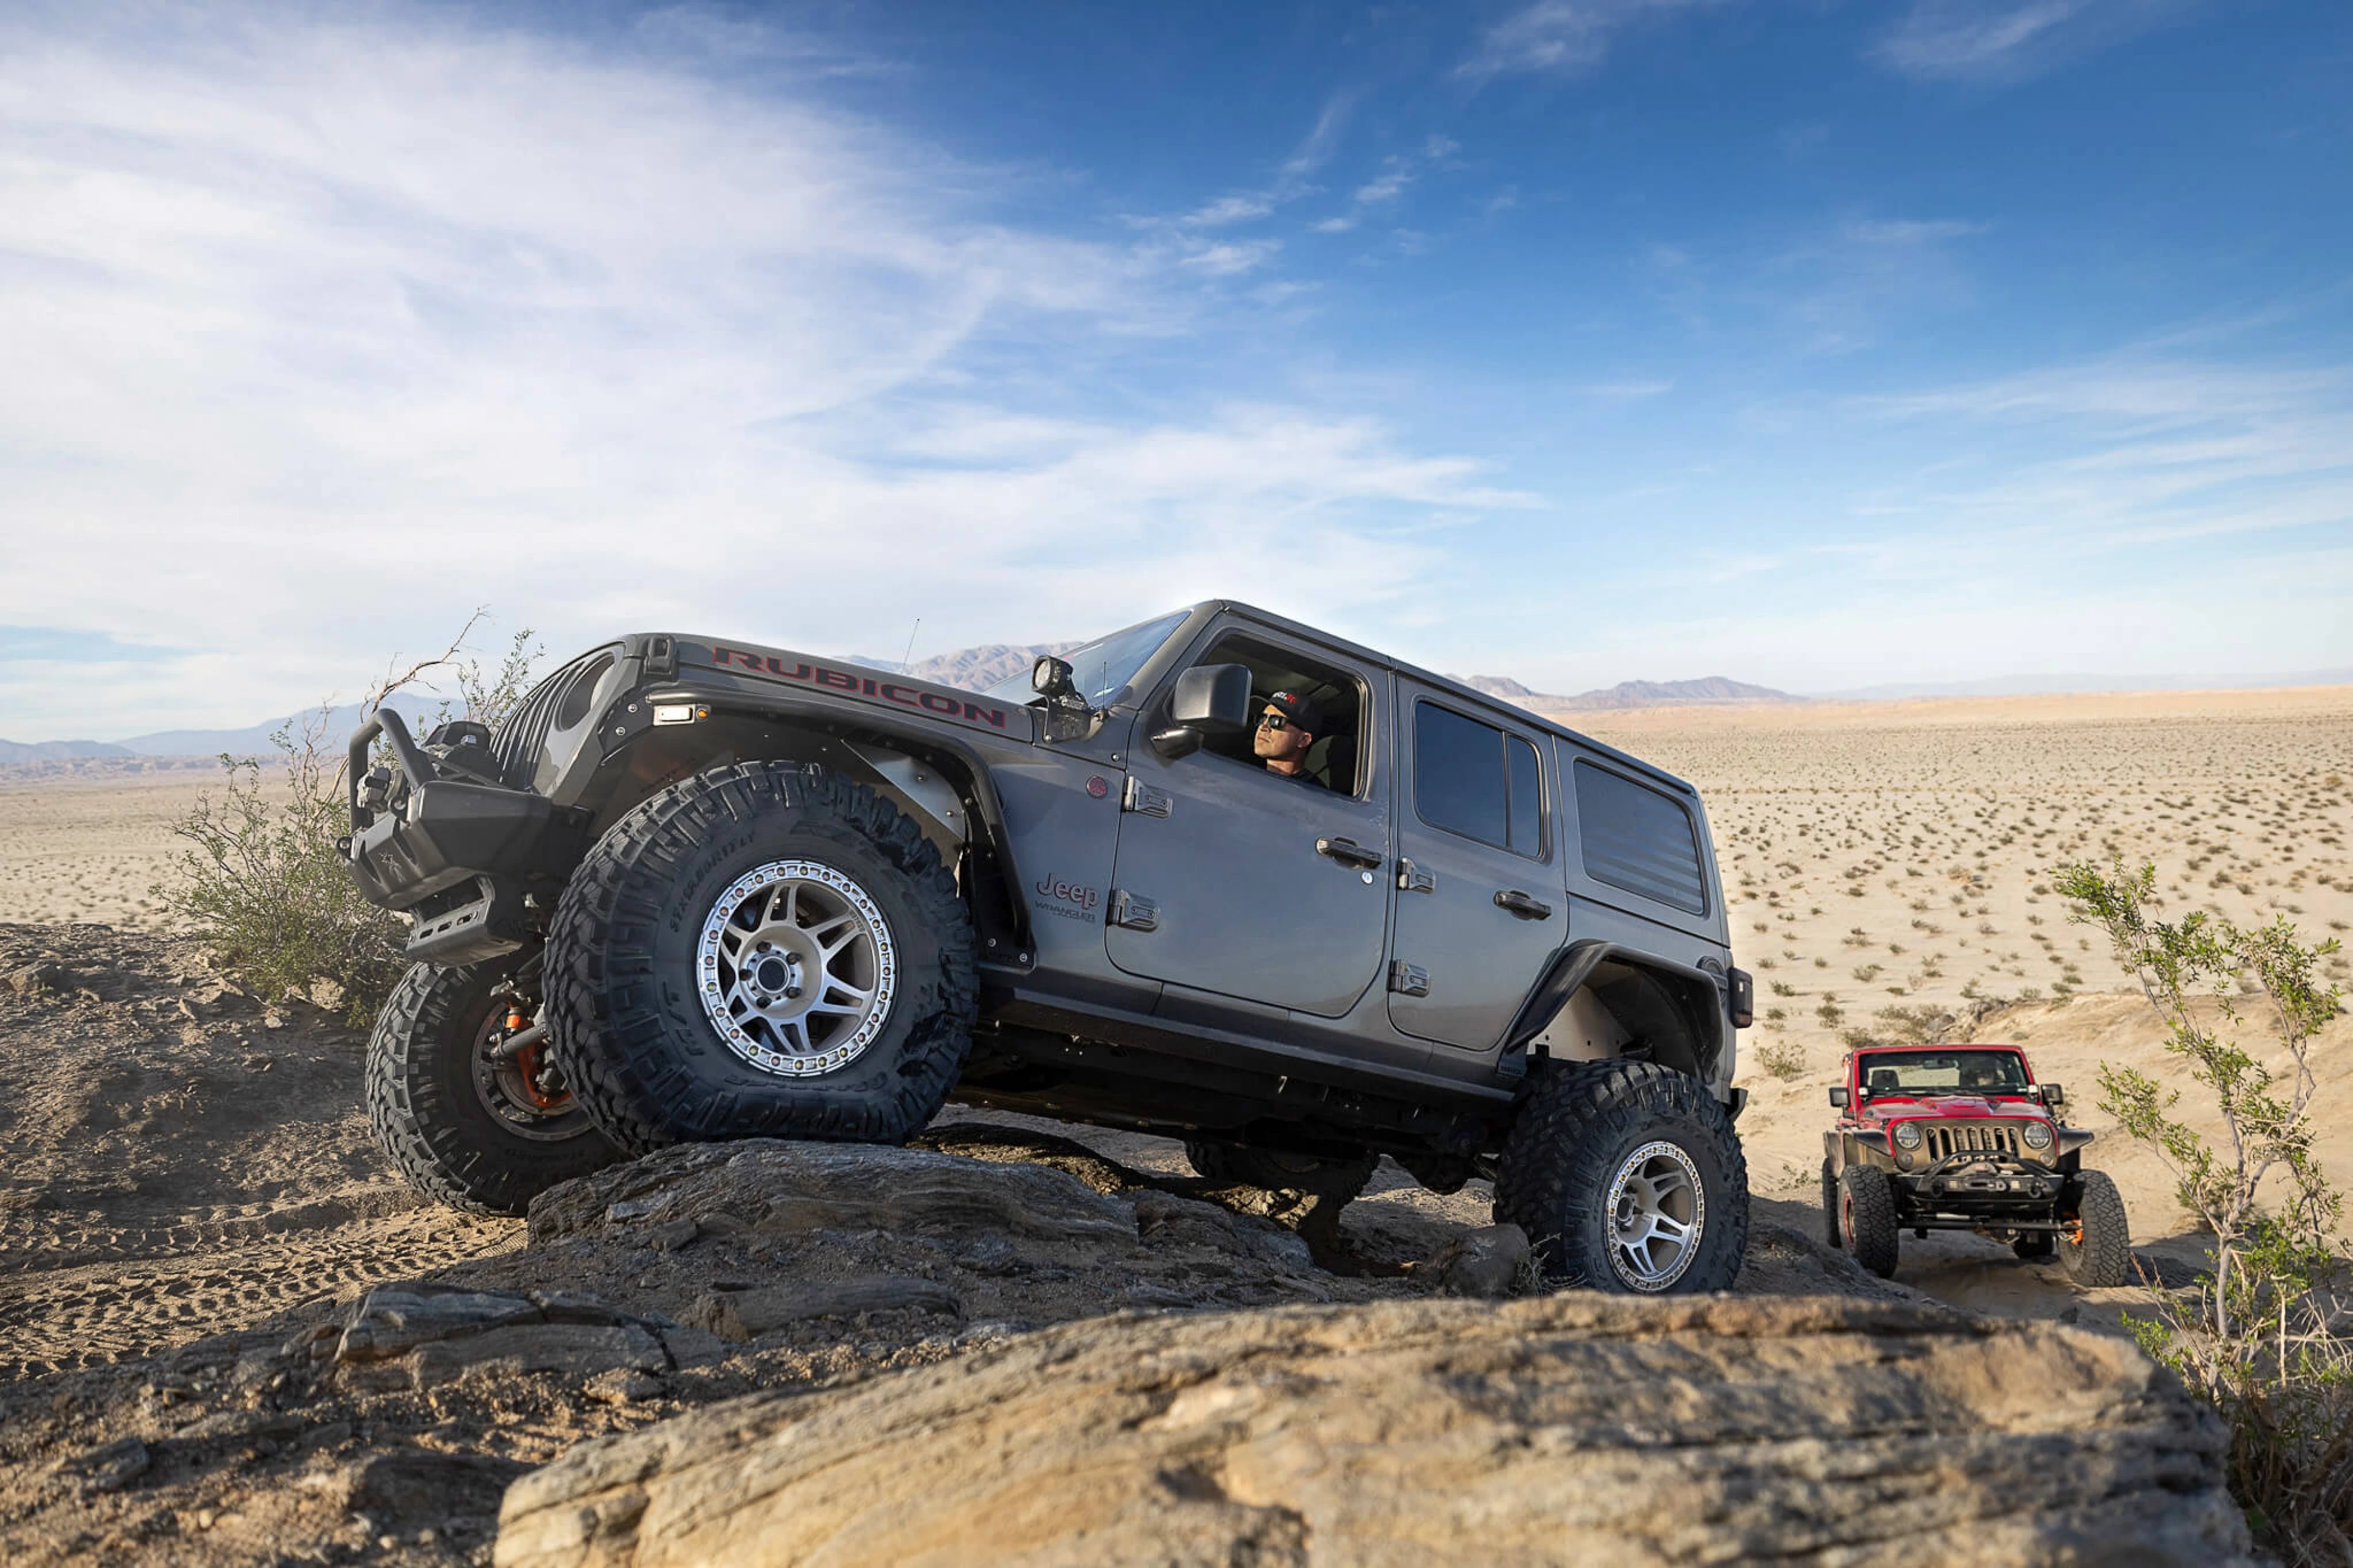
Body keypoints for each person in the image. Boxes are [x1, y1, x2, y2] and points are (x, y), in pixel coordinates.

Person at [1254, 690, 1319, 780]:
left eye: (1276, 721)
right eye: (1262, 718)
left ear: (1304, 740)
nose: (1263, 727)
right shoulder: (1247, 771)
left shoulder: (1311, 792)